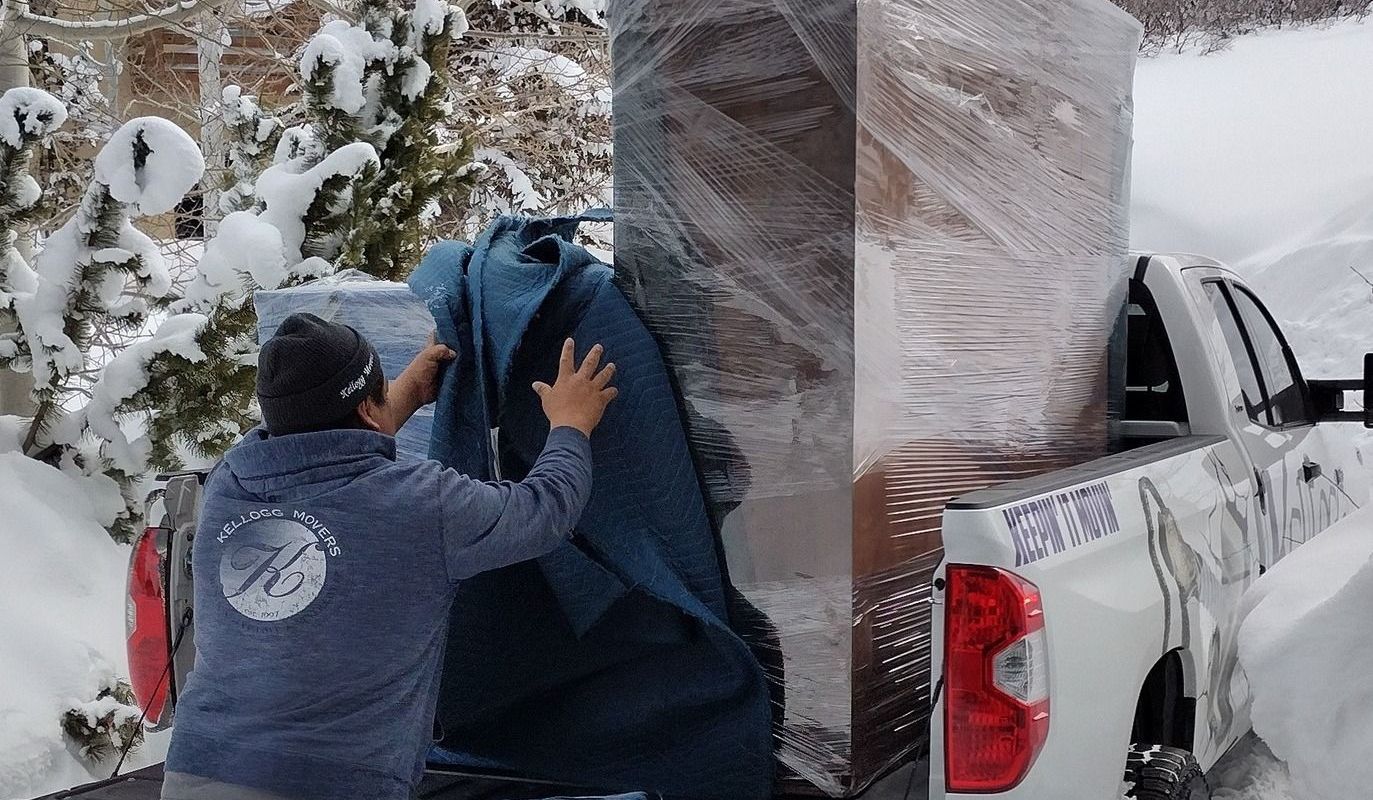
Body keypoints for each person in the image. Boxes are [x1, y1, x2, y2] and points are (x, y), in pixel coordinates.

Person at [161, 312, 618, 800]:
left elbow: (319, 455)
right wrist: (571, 423)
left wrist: (405, 393)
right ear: (364, 411)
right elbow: (544, 510)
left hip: (195, 771)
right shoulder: (424, 504)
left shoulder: (231, 484)